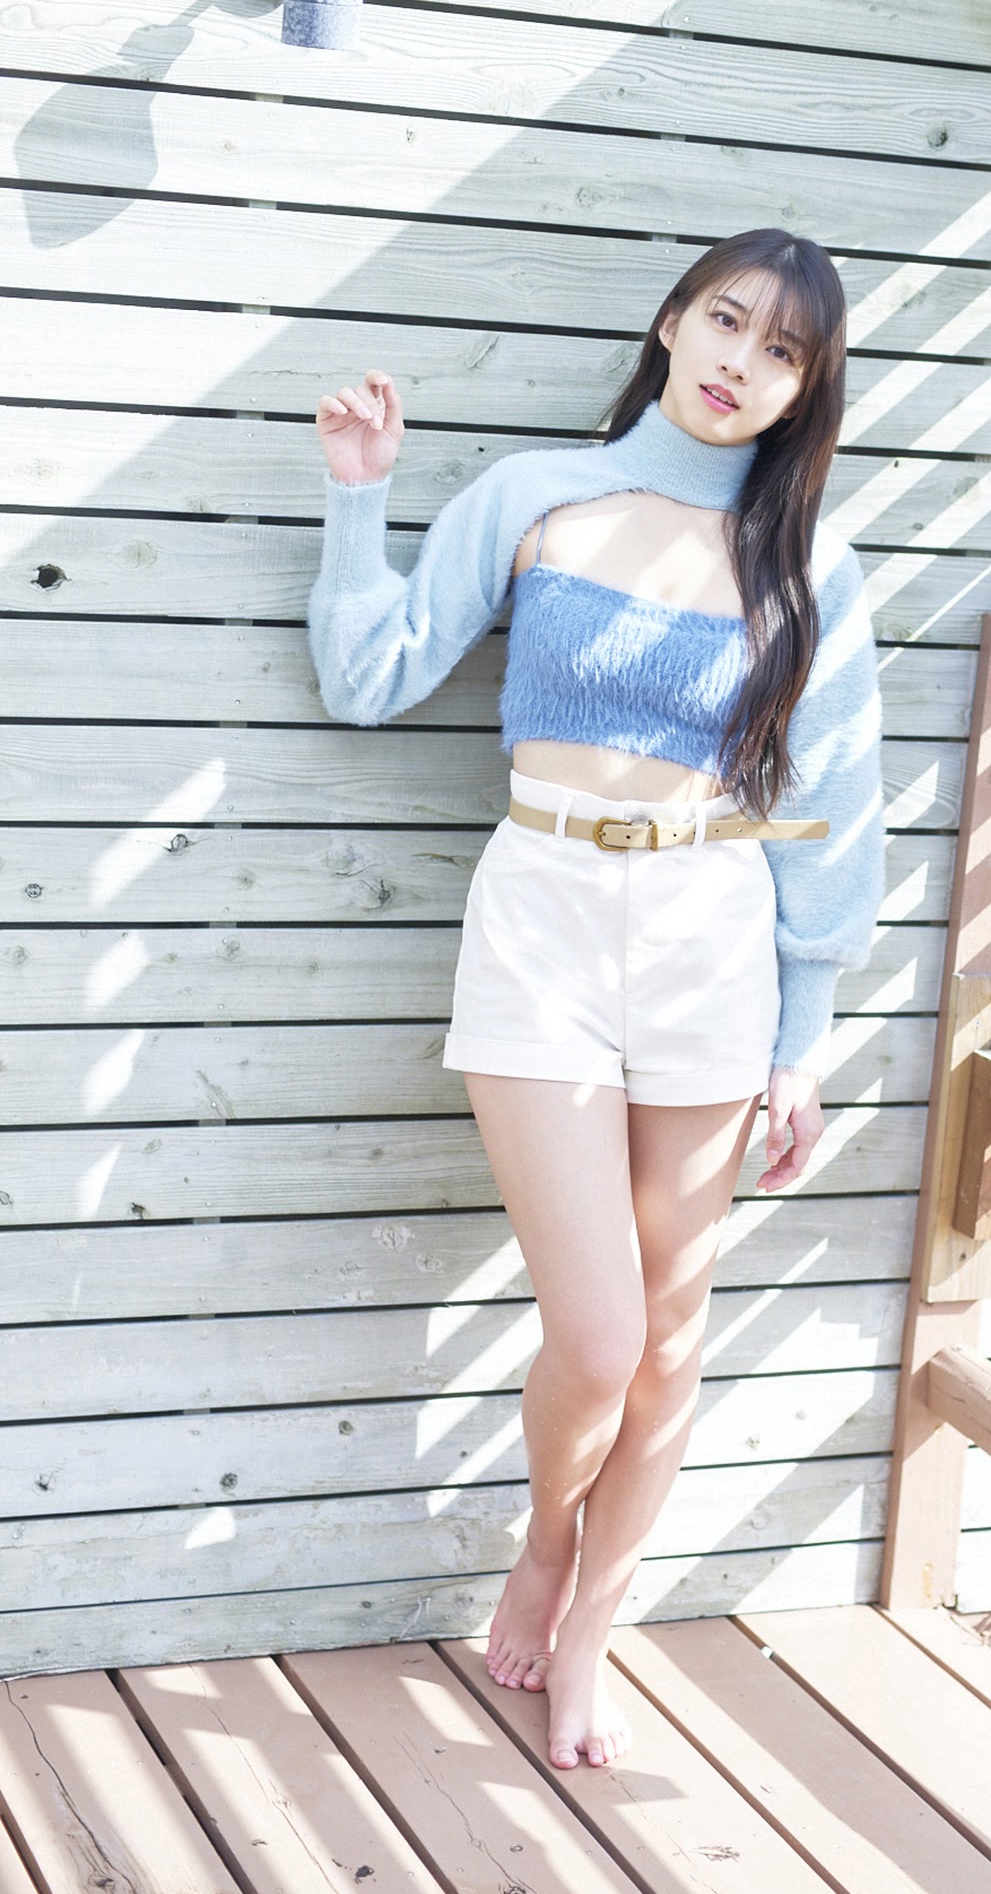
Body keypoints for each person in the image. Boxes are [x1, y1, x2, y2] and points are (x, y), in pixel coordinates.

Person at [308, 226, 885, 1774]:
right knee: (602, 1332)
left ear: (804, 392)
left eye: (783, 353)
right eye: (727, 322)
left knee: (674, 1336)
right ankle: (548, 1540)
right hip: (544, 920)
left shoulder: (808, 565)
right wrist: (360, 497)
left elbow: (832, 808)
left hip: (714, 931)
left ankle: (591, 1632)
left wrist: (804, 1039)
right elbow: (369, 676)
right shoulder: (534, 498)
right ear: (671, 322)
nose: (742, 363)